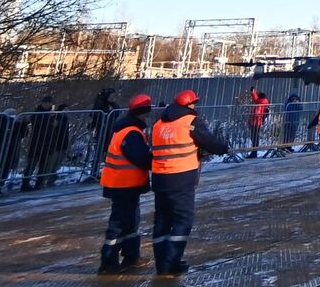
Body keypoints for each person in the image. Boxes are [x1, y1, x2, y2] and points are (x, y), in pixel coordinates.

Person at [149, 89, 230, 276]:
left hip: (160, 178)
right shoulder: (190, 122)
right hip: (181, 178)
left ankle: (161, 263)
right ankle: (171, 262)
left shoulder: (158, 124)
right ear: (189, 105)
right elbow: (209, 141)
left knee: (162, 221)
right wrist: (223, 147)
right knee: (183, 220)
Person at [97, 94, 155, 274]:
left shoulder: (124, 129)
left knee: (130, 221)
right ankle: (109, 261)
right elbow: (140, 158)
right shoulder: (131, 132)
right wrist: (155, 157)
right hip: (123, 184)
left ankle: (131, 256)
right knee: (119, 223)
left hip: (124, 183)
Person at [246, 87, 270, 159]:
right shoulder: (262, 101)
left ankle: (254, 152)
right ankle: (254, 152)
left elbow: (257, 113)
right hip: (257, 122)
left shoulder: (260, 104)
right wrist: (253, 92)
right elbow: (255, 99)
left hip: (255, 122)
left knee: (254, 137)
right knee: (254, 137)